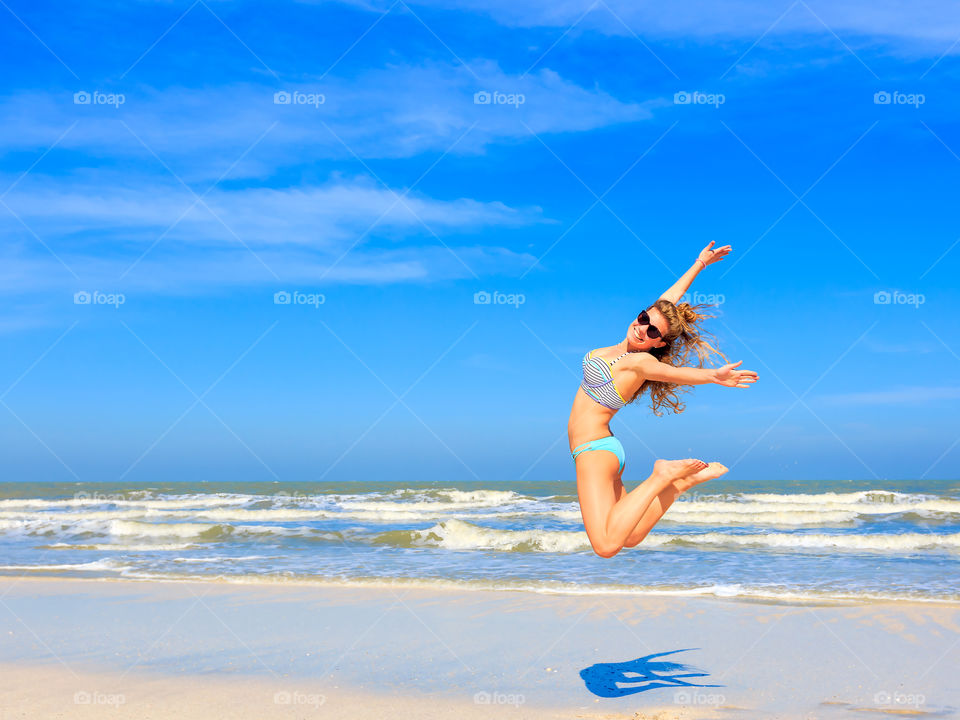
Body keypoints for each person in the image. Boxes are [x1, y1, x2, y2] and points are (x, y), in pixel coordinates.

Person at [568, 242, 758, 558]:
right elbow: (667, 300)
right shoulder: (623, 347)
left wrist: (713, 376)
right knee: (630, 536)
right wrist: (700, 264)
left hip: (594, 451)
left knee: (606, 546)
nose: (643, 329)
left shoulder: (641, 363)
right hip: (602, 449)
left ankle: (662, 475)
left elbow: (672, 374)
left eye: (654, 332)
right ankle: (677, 485)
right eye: (644, 319)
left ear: (659, 343)